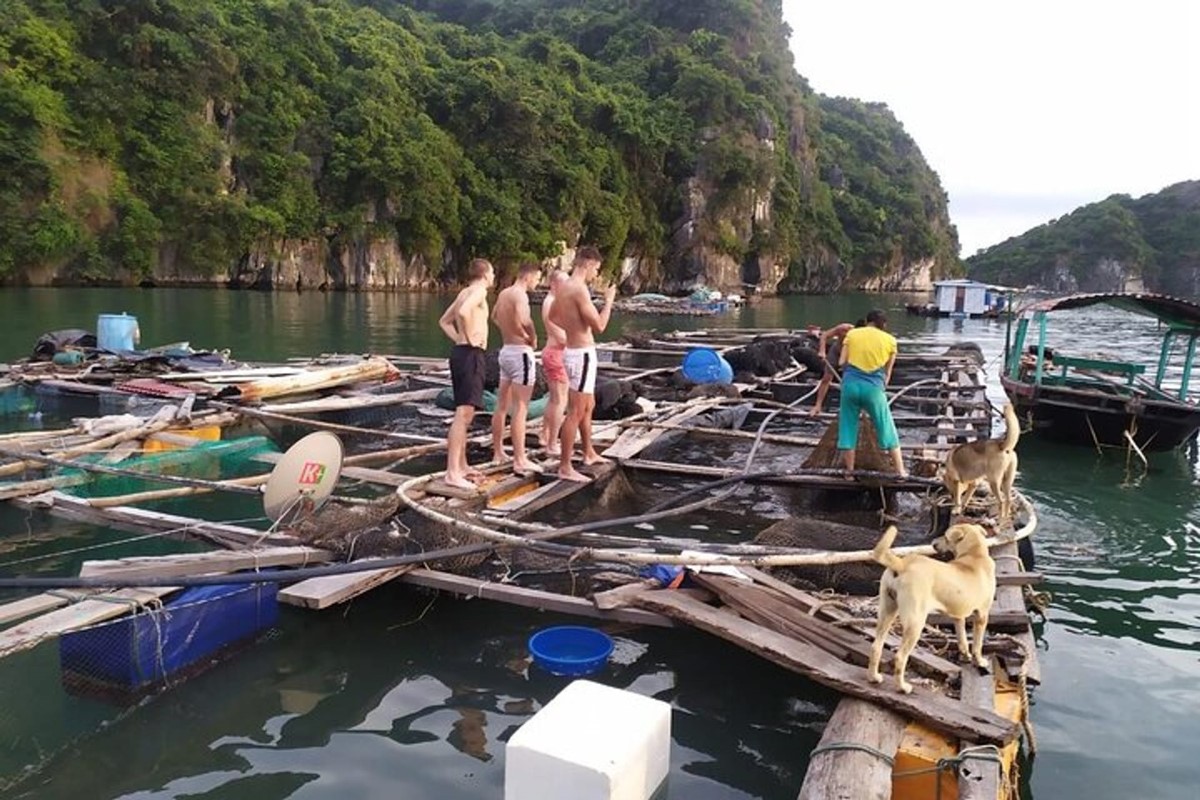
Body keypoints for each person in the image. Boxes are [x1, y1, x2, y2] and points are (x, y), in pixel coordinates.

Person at [548, 245, 617, 482]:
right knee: (576, 410)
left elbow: (553, 317)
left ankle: (588, 452)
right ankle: (565, 466)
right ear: (587, 263)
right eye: (596, 269)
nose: (596, 275)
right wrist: (608, 302)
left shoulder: (564, 286)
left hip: (575, 350)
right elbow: (599, 326)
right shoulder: (578, 289)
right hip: (581, 354)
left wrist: (572, 330)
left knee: (589, 405)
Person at [438, 258, 495, 489]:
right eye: (492, 273)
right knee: (463, 414)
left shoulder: (464, 291)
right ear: (485, 274)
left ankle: (461, 465)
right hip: (470, 354)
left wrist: (461, 340)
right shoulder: (479, 291)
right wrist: (471, 340)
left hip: (460, 353)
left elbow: (444, 321)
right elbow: (462, 312)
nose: (493, 277)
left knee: (466, 413)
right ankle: (452, 472)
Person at [837, 309, 907, 477]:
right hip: (874, 389)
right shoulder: (891, 341)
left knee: (847, 427)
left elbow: (841, 362)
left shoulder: (852, 334)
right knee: (886, 427)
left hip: (850, 386)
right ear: (883, 324)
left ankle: (849, 473)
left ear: (867, 321)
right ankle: (900, 471)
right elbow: (887, 373)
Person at [490, 262, 544, 476]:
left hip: (505, 352)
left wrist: (509, 331)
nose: (538, 283)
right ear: (528, 276)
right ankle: (520, 459)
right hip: (520, 353)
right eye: (537, 278)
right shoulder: (520, 295)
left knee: (501, 405)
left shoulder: (504, 293)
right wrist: (532, 336)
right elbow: (524, 319)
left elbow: (494, 317)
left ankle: (498, 452)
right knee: (521, 408)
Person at [539, 269, 570, 456]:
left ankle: (545, 433)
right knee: (560, 400)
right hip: (556, 353)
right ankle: (552, 442)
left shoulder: (554, 302)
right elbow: (559, 335)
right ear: (554, 284)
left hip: (553, 352)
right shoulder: (550, 303)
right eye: (564, 284)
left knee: (554, 399)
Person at [809, 320, 863, 417]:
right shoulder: (844, 328)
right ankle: (818, 405)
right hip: (836, 351)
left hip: (849, 355)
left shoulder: (865, 338)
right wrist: (822, 351)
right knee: (826, 378)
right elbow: (824, 335)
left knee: (850, 381)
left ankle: (853, 407)